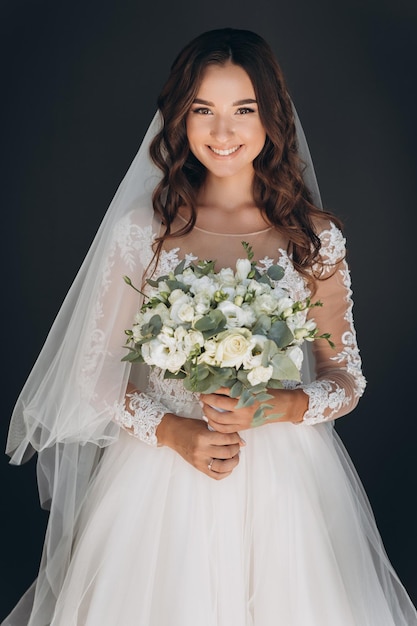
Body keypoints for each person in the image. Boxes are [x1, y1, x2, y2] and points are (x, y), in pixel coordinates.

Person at [3, 27, 416, 626]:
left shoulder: (313, 239)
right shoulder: (144, 232)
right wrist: (173, 431)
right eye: (204, 110)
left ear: (272, 117)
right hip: (163, 474)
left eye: (243, 109)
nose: (223, 132)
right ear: (180, 119)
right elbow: (92, 380)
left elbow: (345, 378)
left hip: (283, 481)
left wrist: (273, 408)